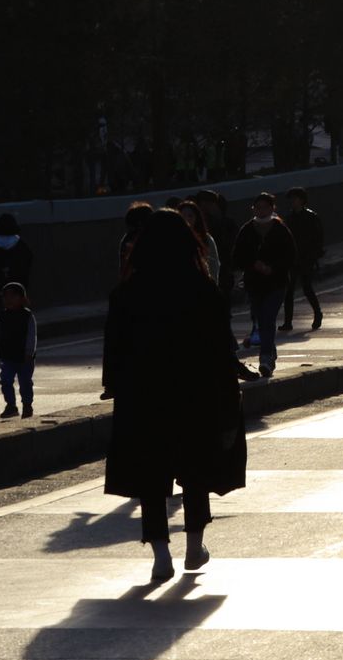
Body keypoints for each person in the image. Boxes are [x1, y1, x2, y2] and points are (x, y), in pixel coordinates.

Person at [103, 210, 247, 581]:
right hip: (195, 394)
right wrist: (228, 402)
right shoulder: (205, 293)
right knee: (194, 471)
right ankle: (193, 546)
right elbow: (220, 352)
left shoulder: (126, 294)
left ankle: (160, 555)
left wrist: (118, 388)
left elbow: (114, 354)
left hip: (144, 396)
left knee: (151, 476)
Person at [228, 192, 296, 378]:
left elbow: (290, 255)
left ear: (272, 208)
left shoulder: (280, 229)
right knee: (260, 320)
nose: (261, 210)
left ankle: (265, 358)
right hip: (254, 284)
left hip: (276, 283)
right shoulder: (247, 229)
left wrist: (272, 268)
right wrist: (254, 264)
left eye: (265, 207)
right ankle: (270, 352)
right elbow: (237, 256)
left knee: (267, 318)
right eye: (258, 207)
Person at [0, 281, 37, 418]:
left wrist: (29, 352)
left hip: (24, 357)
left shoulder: (27, 316)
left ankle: (27, 405)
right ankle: (11, 406)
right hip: (7, 356)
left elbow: (31, 335)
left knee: (25, 382)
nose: (9, 300)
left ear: (22, 298)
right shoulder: (2, 316)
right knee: (5, 381)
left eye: (13, 296)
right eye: (6, 297)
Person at [281, 187, 323, 332]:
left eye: (295, 198)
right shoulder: (289, 218)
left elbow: (318, 238)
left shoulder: (311, 217)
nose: (292, 201)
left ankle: (317, 313)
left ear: (302, 200)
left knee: (307, 288)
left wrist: (314, 255)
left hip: (306, 258)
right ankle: (288, 322)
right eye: (291, 199)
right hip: (292, 258)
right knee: (289, 290)